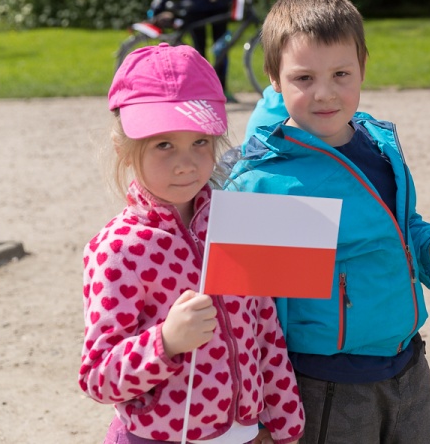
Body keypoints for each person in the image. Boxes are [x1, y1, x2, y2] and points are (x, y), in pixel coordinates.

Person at [226, 0, 430, 444]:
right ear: (274, 79)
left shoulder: (380, 147)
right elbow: (247, 317)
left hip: (408, 368)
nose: (325, 93)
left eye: (341, 74)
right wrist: (257, 415)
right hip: (327, 387)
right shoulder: (263, 182)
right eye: (304, 78)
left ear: (362, 68)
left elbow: (403, 226)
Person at [79, 43, 304, 444]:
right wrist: (165, 341)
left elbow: (266, 330)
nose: (186, 162)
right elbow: (98, 376)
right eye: (164, 144)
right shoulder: (118, 249)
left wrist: (284, 428)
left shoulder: (235, 220)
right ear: (123, 148)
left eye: (199, 142)